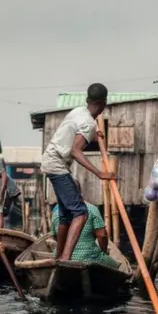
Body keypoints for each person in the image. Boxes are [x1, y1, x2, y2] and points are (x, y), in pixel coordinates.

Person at [41, 83, 117, 261]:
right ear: (103, 102)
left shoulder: (78, 111)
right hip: (57, 163)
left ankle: (58, 257)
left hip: (51, 159)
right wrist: (99, 173)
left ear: (88, 100)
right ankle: (66, 258)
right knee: (81, 212)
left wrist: (97, 131)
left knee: (65, 215)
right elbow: (76, 150)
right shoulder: (89, 124)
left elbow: (78, 128)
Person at [50, 180, 119, 269]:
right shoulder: (91, 209)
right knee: (115, 266)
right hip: (87, 257)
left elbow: (56, 237)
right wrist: (104, 251)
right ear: (79, 192)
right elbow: (102, 235)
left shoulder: (56, 212)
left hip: (60, 259)